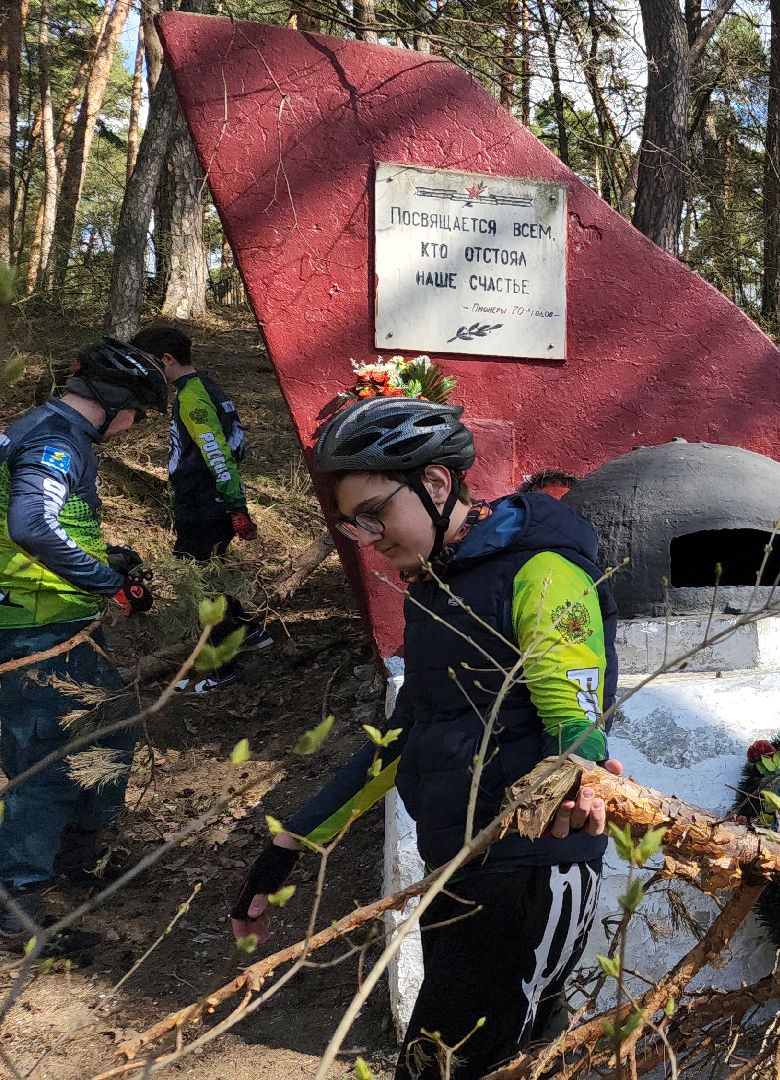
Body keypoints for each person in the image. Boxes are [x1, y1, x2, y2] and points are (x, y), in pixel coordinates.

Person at [228, 395, 622, 1079]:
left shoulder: (541, 569)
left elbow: (576, 711)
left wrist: (580, 774)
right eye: (353, 524)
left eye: (375, 512)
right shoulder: (438, 588)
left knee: (442, 1066)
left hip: (531, 864)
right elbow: (405, 733)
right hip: (462, 862)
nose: (368, 535)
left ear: (437, 484)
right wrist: (290, 842)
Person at [0, 338, 166, 955]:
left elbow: (56, 522)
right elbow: (31, 525)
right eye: (138, 414)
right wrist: (109, 582)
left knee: (111, 729)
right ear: (116, 402)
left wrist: (108, 557)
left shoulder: (55, 431)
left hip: (60, 621)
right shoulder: (54, 440)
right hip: (34, 630)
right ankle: (16, 907)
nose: (134, 427)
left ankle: (73, 857)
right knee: (43, 764)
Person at [130, 325, 271, 693]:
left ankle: (221, 668)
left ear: (167, 360)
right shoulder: (209, 387)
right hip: (210, 501)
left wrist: (235, 505)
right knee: (214, 572)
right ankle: (250, 632)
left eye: (148, 365)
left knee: (200, 585)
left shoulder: (193, 396)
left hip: (204, 504)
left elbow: (219, 453)